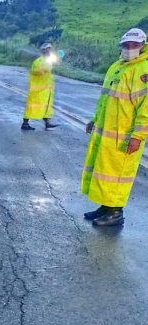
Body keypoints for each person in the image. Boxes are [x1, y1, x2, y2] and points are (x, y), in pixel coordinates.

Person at [82, 28, 148, 227]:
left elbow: (146, 108)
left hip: (125, 135)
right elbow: (105, 100)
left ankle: (116, 212)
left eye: (134, 45)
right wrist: (94, 120)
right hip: (107, 134)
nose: (130, 49)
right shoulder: (117, 67)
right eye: (126, 45)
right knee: (104, 172)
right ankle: (106, 207)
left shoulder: (143, 70)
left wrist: (138, 136)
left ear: (143, 45)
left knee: (118, 175)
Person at [22, 43, 59, 131]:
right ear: (43, 50)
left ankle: (47, 123)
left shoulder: (48, 60)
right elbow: (35, 71)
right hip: (38, 89)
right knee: (32, 106)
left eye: (50, 49)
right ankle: (25, 123)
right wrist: (42, 70)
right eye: (47, 49)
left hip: (46, 89)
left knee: (46, 106)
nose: (49, 51)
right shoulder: (39, 61)